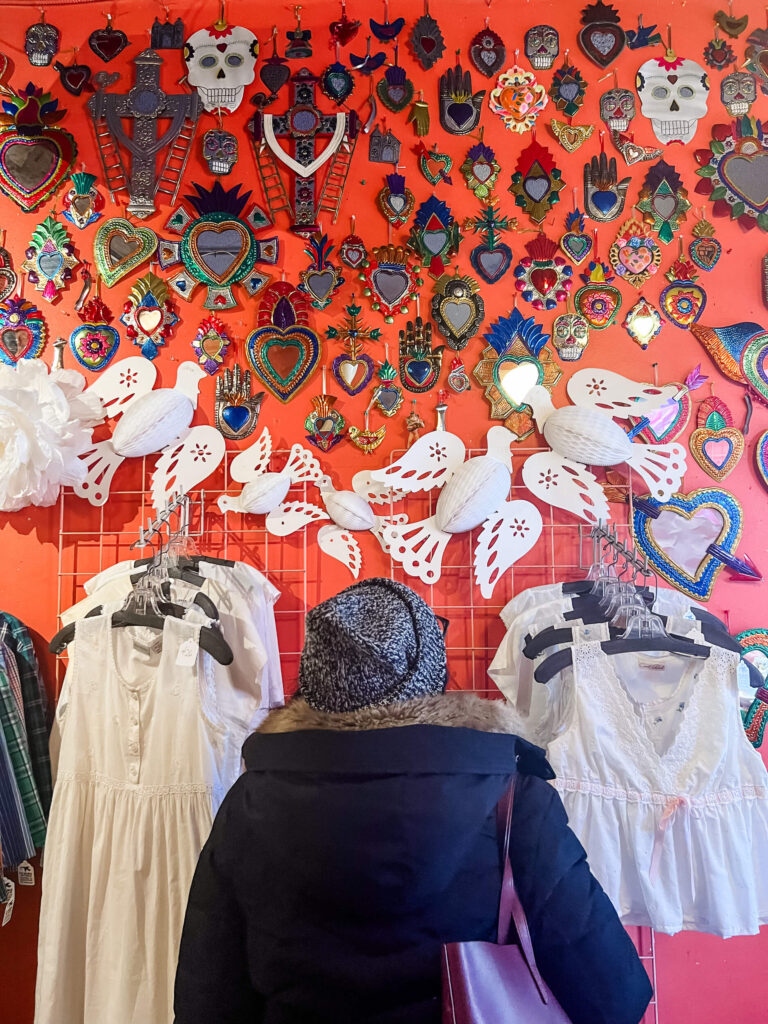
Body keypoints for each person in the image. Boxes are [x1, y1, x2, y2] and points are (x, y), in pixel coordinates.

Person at [174, 578, 652, 1024]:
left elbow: (207, 998)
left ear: (315, 678)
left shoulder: (250, 799)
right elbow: (614, 995)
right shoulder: (514, 798)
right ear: (431, 672)